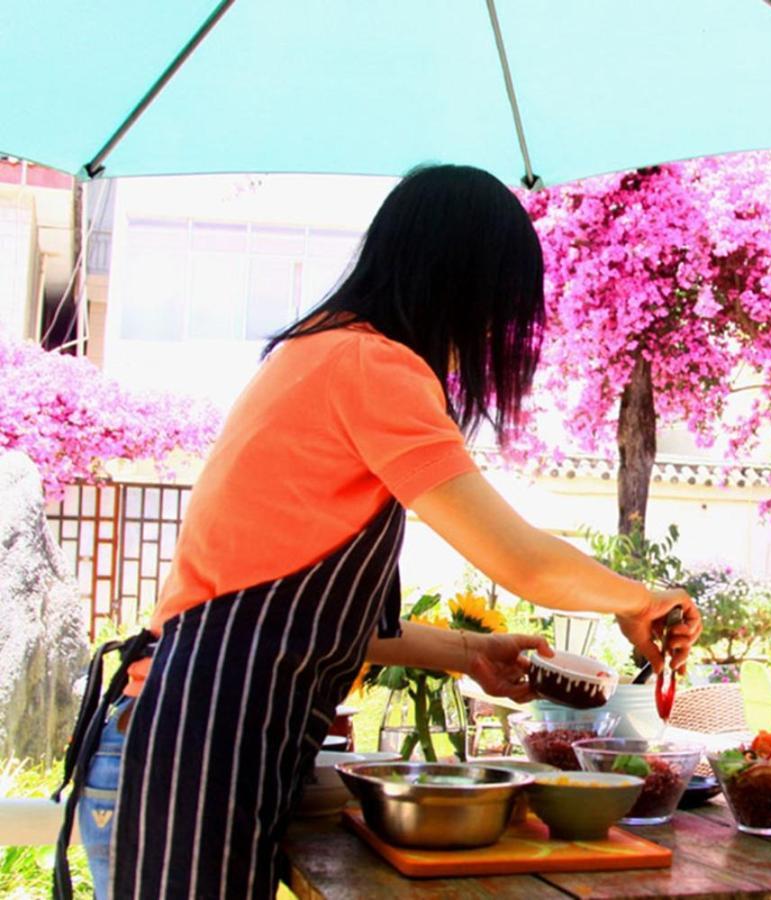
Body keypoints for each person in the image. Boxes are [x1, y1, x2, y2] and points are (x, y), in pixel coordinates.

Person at [52, 164, 701, 900]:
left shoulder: (323, 350)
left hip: (187, 730)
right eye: (501, 309)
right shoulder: (371, 365)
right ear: (461, 284)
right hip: (195, 742)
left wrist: (467, 652)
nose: (497, 334)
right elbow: (522, 561)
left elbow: (291, 624)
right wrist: (638, 598)